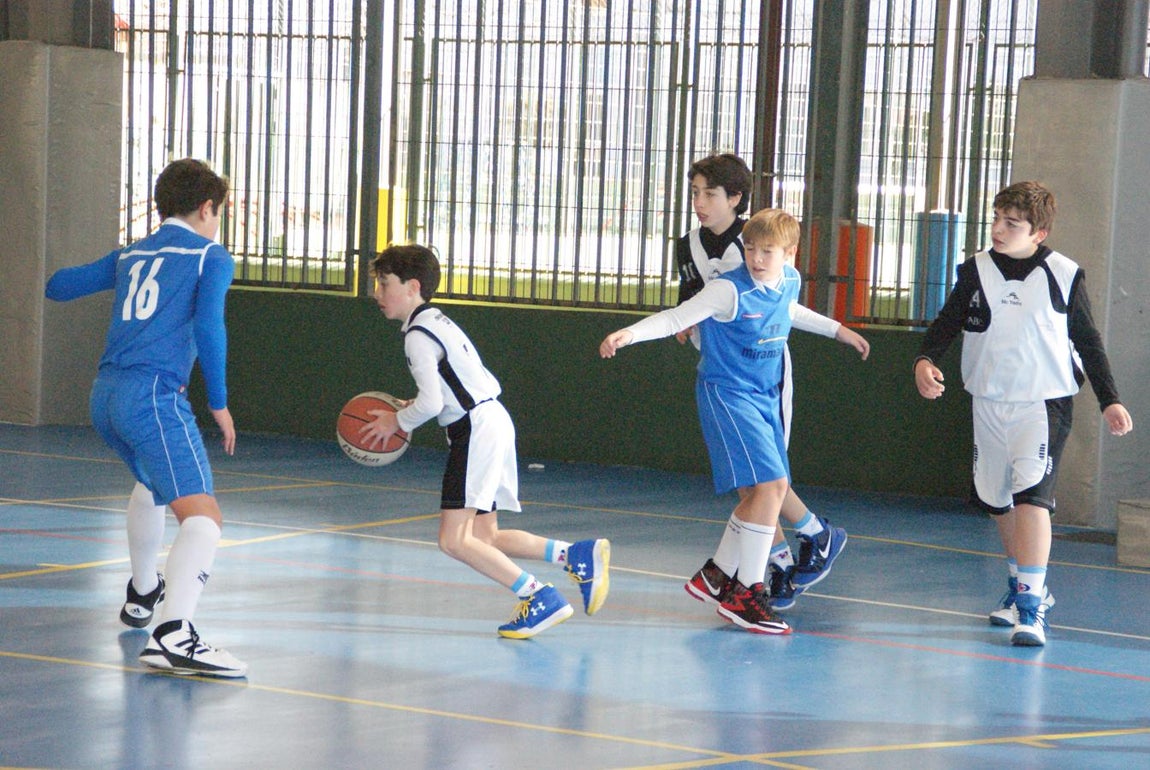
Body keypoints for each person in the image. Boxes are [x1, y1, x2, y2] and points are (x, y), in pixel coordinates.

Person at [44, 158, 247, 677]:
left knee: (152, 486)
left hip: (105, 395)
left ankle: (142, 593)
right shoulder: (210, 256)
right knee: (204, 518)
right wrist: (219, 403)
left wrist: (116, 266)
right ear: (207, 208)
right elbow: (210, 328)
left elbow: (59, 286)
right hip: (153, 397)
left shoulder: (133, 253)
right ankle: (175, 631)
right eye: (217, 211)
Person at [914, 180, 1133, 647]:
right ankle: (1023, 588)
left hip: (1043, 402)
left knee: (1033, 496)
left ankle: (1032, 609)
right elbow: (946, 323)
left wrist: (1109, 398)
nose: (998, 228)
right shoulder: (975, 270)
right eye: (996, 219)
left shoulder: (1063, 274)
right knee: (999, 500)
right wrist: (925, 360)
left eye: (1011, 223)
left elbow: (1088, 342)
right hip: (989, 401)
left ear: (1038, 232)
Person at [360, 244, 610, 639]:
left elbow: (432, 401)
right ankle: (573, 554)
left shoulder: (417, 336)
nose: (377, 292)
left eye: (384, 283)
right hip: (490, 419)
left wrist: (398, 420)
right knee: (484, 537)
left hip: (474, 429)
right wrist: (410, 408)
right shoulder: (437, 320)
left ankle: (538, 595)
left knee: (453, 540)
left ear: (411, 287)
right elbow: (451, 386)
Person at [600, 206, 809, 634]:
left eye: (766, 250)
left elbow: (792, 314)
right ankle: (746, 593)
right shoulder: (727, 290)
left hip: (763, 392)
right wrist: (629, 334)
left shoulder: (789, 282)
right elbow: (678, 318)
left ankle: (716, 574)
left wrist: (840, 330)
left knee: (770, 488)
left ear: (789, 253)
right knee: (769, 486)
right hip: (728, 393)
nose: (756, 257)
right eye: (750, 248)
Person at [675, 154, 868, 611]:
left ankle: (808, 542)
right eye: (695, 193)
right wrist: (686, 324)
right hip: (722, 372)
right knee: (753, 482)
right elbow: (689, 299)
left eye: (710, 193)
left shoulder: (759, 243)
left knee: (765, 480)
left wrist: (837, 329)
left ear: (735, 199)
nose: (700, 202)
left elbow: (784, 307)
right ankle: (786, 557)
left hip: (763, 375)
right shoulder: (687, 245)